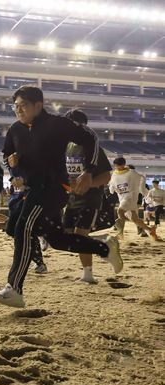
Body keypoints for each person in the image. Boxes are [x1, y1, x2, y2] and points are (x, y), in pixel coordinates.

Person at [0, 86, 122, 308]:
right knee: (57, 239)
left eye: (23, 106)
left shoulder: (57, 124)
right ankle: (105, 248)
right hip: (32, 189)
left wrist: (88, 171)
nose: (18, 110)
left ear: (38, 106)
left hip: (53, 189)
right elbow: (7, 155)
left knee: (23, 228)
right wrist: (14, 171)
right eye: (16, 106)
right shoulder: (15, 130)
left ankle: (14, 288)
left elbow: (91, 137)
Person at [62, 109, 113, 284]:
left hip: (90, 198)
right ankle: (104, 243)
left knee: (80, 234)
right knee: (65, 235)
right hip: (72, 198)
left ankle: (88, 274)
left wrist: (87, 184)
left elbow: (107, 176)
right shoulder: (67, 147)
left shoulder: (93, 148)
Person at [109, 157, 157, 241]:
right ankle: (150, 230)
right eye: (116, 166)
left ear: (123, 164)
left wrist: (145, 192)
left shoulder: (132, 173)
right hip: (122, 198)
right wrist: (111, 188)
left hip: (130, 197)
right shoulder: (115, 174)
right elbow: (112, 183)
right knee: (135, 219)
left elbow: (141, 178)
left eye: (118, 165)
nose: (117, 167)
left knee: (120, 211)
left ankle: (120, 233)